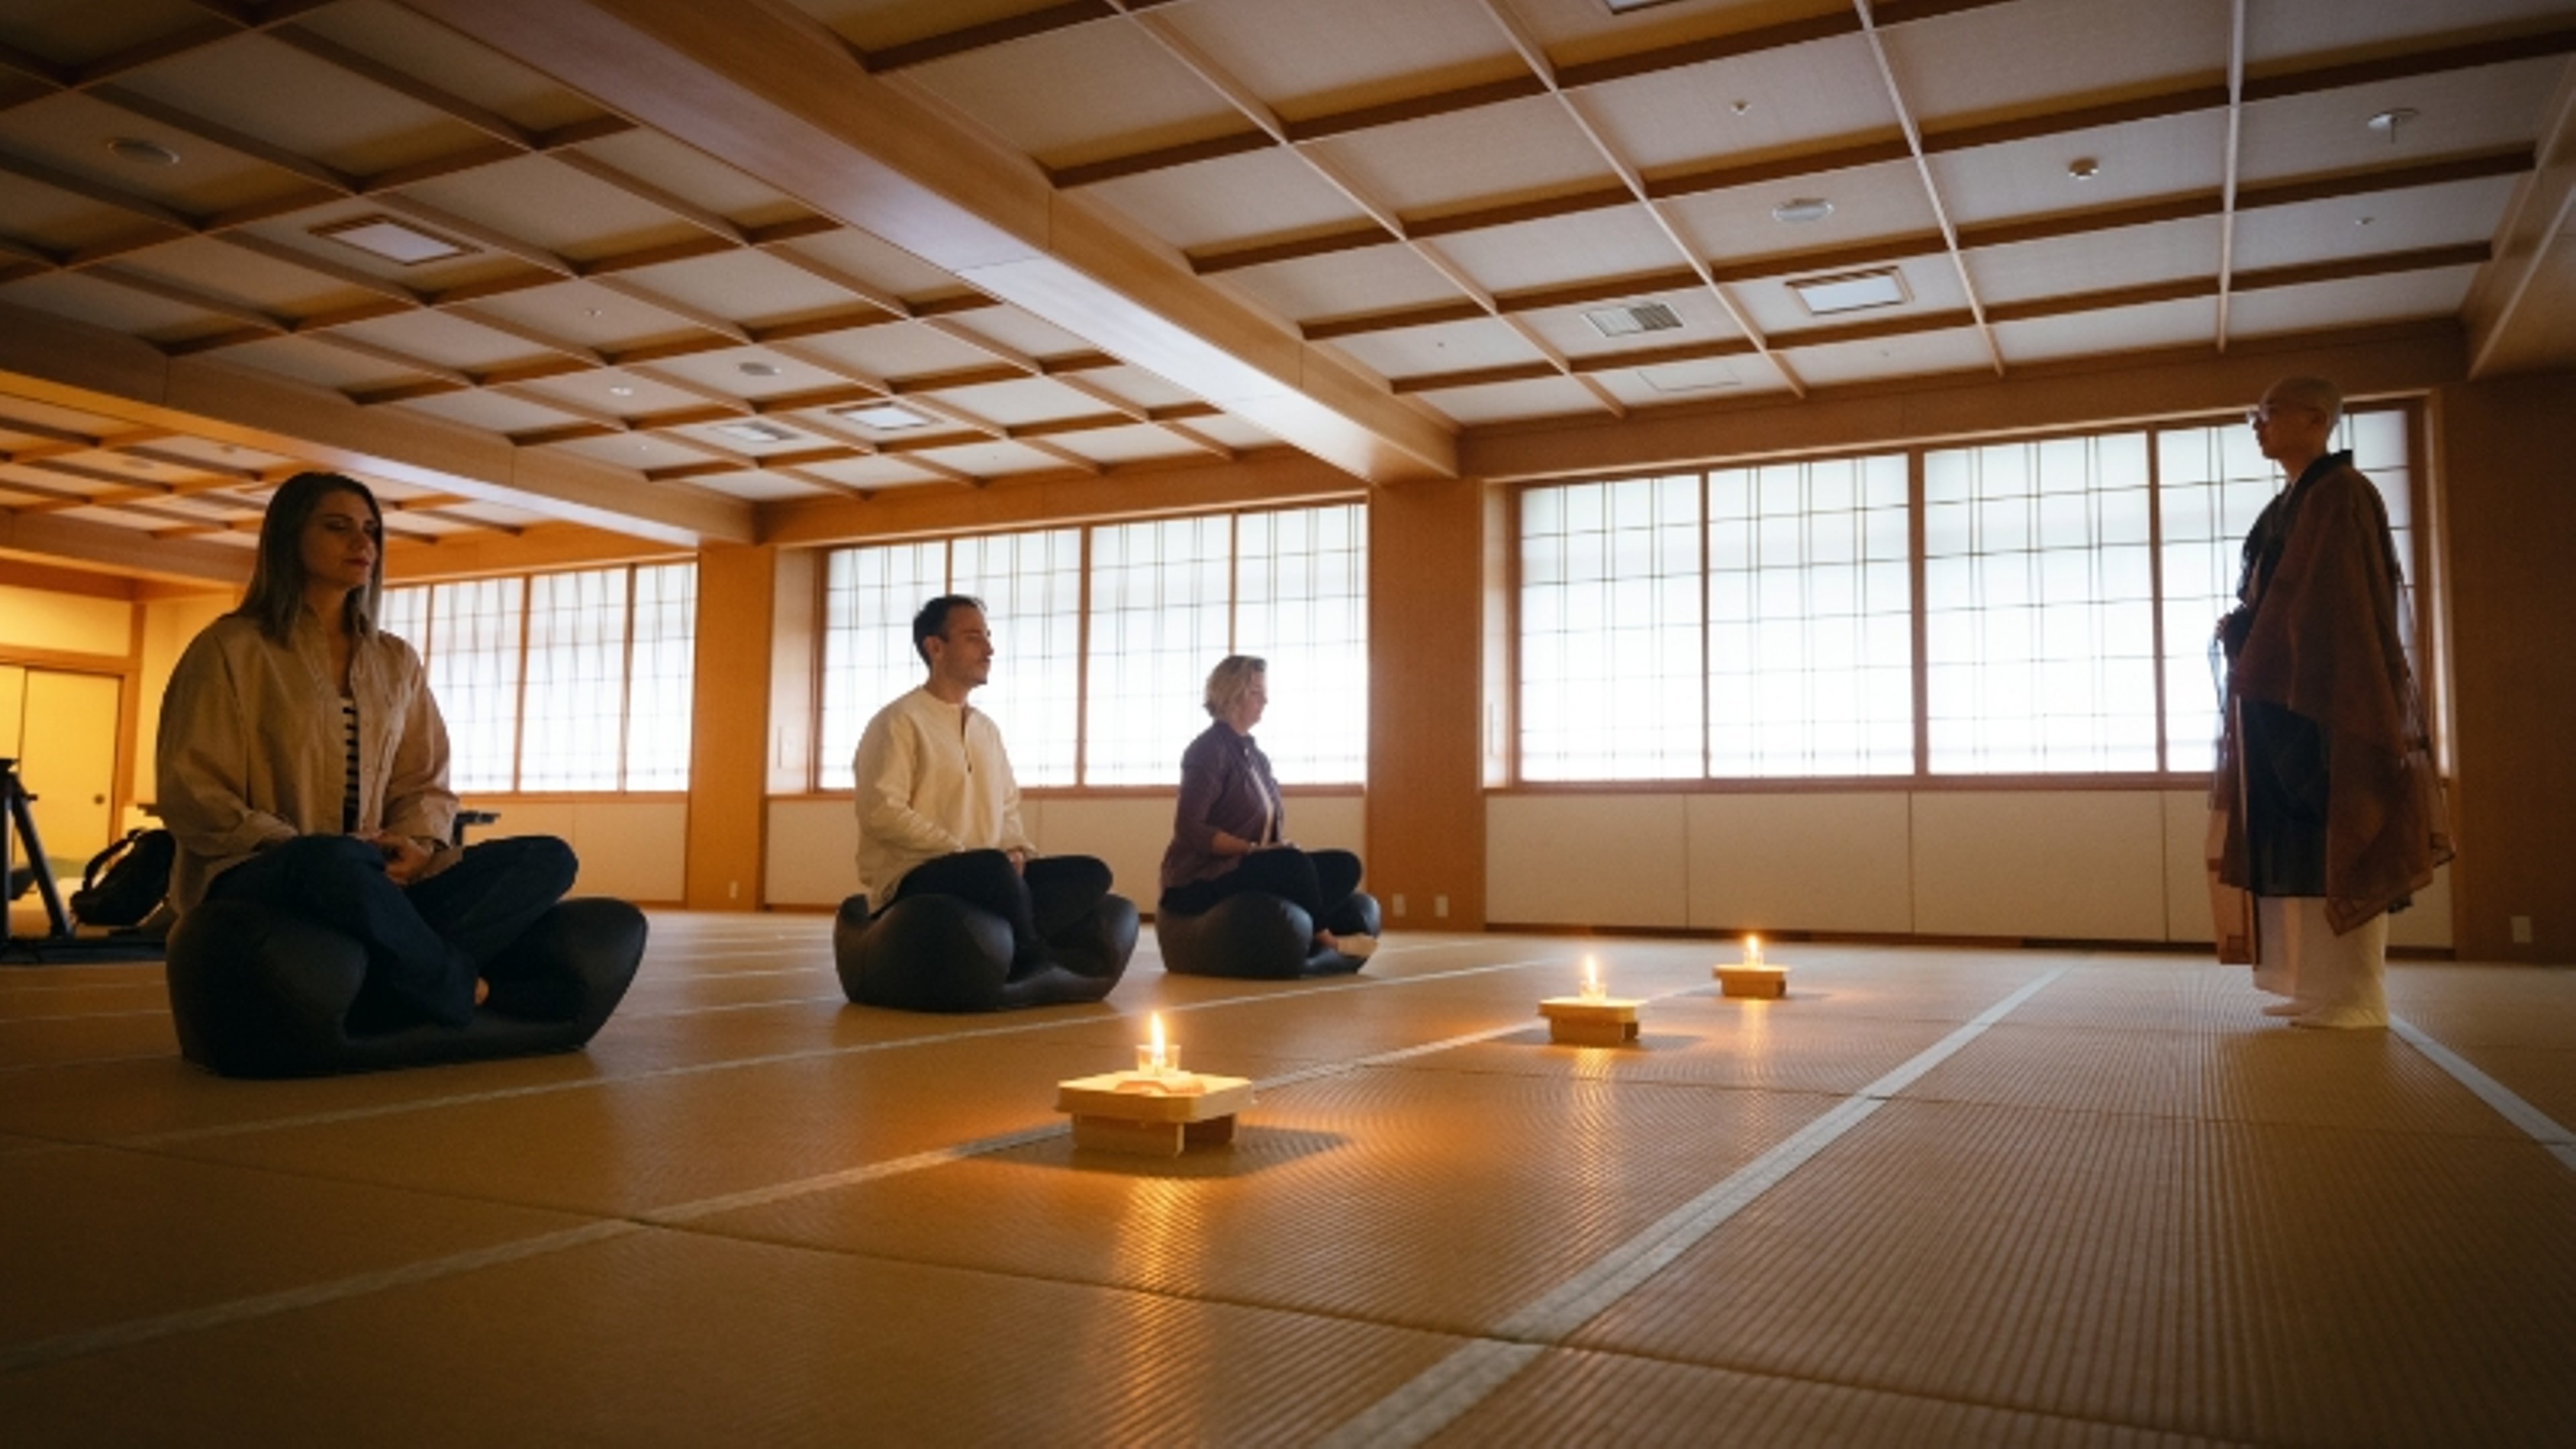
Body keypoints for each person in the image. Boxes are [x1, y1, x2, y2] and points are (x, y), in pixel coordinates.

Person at [156, 472, 577, 1030]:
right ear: (289, 537)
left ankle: (389, 977)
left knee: (546, 857)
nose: (363, 545)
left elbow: (425, 779)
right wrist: (306, 847)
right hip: (266, 867)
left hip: (374, 877)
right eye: (338, 528)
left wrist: (416, 846)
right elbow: (194, 789)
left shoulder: (394, 660)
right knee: (332, 859)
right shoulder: (230, 648)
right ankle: (451, 986)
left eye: (371, 531)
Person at [2211, 378, 2451, 1029]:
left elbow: (2335, 605)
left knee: (2341, 829)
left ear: (2317, 419)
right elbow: (2270, 600)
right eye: (2253, 415)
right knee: (2296, 843)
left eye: (2267, 414)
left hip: (2329, 694)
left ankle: (2356, 995)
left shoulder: (2342, 494)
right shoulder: (2287, 503)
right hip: (2280, 694)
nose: (2256, 425)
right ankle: (2315, 985)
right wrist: (2243, 630)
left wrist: (2265, 637)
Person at [851, 595, 1111, 971]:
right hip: (917, 877)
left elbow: (1007, 807)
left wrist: (1017, 851)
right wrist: (961, 852)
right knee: (989, 870)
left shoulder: (986, 730)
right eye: (974, 637)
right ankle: (1031, 955)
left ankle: (1014, 934)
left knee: (1091, 872)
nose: (989, 649)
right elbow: (882, 812)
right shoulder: (899, 721)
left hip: (991, 873)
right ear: (935, 647)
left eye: (988, 637)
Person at [1159, 655, 1373, 958]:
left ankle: (1311, 922)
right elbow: (1190, 828)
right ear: (1231, 695)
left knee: (1343, 864)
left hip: (1249, 865)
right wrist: (1252, 850)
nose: (1266, 700)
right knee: (1291, 864)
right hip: (1201, 879)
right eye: (1257, 692)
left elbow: (1267, 829)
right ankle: (1326, 936)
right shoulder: (1208, 750)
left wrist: (1274, 848)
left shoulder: (1254, 755)